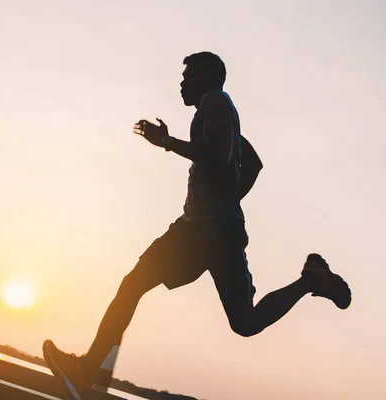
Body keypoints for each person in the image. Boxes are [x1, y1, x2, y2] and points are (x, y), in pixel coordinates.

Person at [42, 51, 351, 400]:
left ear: (207, 78)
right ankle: (311, 279)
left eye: (188, 76)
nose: (182, 83)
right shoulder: (220, 111)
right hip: (211, 228)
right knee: (243, 322)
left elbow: (218, 156)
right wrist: (228, 201)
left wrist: (168, 143)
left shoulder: (214, 102)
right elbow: (252, 163)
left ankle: (89, 371)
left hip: (204, 232)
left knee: (133, 286)